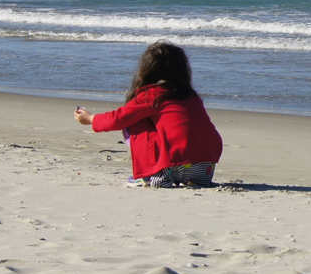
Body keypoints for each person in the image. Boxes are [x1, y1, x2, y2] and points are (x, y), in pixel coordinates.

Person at [74, 41, 223, 187]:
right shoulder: (191, 95)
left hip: (173, 164)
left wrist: (91, 119)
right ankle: (192, 178)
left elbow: (118, 119)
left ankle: (153, 176)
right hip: (206, 164)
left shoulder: (153, 95)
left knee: (134, 121)